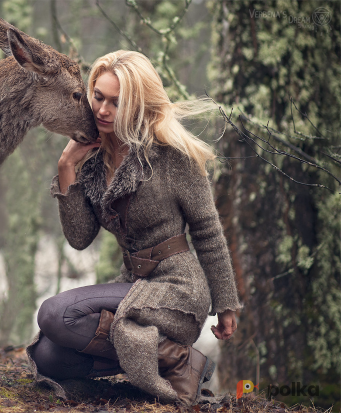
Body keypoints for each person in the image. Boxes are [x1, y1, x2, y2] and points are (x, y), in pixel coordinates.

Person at [26, 50, 242, 406]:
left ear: (138, 104)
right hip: (133, 284)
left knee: (55, 314)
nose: (103, 110)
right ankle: (154, 359)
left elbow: (208, 232)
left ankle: (180, 360)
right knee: (48, 355)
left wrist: (227, 303)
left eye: (116, 102)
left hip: (178, 290)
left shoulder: (172, 155)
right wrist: (67, 166)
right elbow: (79, 239)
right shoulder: (93, 160)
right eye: (98, 97)